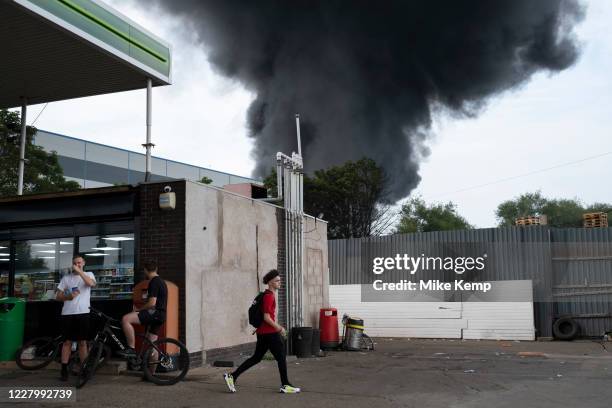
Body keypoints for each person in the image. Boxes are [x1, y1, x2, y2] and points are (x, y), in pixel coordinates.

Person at [224, 269, 301, 394]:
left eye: (279, 280)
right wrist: (280, 328)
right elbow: (266, 317)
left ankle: (232, 376)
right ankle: (285, 385)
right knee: (281, 357)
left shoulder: (265, 295)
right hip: (270, 333)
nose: (279, 283)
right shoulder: (269, 297)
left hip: (262, 333)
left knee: (256, 358)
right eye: (277, 281)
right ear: (270, 283)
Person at [56, 255, 96, 381]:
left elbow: (90, 284)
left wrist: (80, 272)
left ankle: (84, 369)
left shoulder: (89, 274)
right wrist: (68, 295)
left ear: (83, 263)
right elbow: (58, 296)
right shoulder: (66, 278)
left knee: (82, 342)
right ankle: (64, 369)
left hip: (83, 312)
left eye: (79, 262)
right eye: (75, 263)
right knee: (67, 342)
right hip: (67, 313)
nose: (77, 265)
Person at [119, 261, 167, 357]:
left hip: (154, 313)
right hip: (161, 315)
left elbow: (152, 303)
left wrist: (138, 310)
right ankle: (151, 372)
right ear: (156, 269)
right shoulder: (162, 282)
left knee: (126, 319)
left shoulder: (154, 282)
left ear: (145, 270)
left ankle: (131, 348)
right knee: (152, 346)